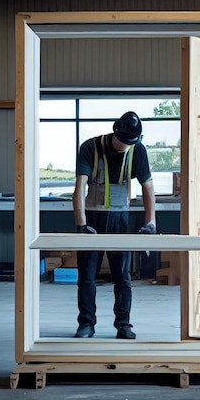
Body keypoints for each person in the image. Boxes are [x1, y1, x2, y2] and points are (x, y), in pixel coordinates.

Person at [72, 111, 157, 339]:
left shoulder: (137, 149)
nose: (127, 146)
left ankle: (123, 324)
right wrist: (81, 224)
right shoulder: (90, 147)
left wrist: (151, 223)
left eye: (133, 142)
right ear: (115, 132)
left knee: (123, 277)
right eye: (125, 141)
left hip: (121, 219)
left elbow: (148, 187)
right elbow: (80, 186)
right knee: (87, 275)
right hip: (92, 217)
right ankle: (86, 324)